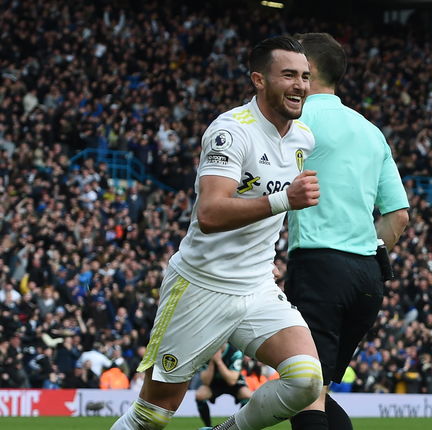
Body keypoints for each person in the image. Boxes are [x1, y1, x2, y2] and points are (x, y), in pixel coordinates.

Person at [111, 35, 324, 430]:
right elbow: (209, 213)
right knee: (151, 417)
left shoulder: (302, 138)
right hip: (201, 287)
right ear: (259, 80)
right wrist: (285, 201)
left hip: (257, 287)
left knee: (306, 380)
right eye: (289, 75)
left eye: (306, 76)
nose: (300, 85)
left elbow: (272, 209)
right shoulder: (231, 131)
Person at [285, 32, 410, 430]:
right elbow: (399, 216)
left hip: (319, 266)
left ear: (310, 69)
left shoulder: (296, 119)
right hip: (368, 277)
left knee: (302, 391)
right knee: (315, 390)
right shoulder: (372, 131)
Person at [195, 344, 253, 428]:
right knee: (200, 395)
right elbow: (206, 382)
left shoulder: (235, 352)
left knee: (247, 395)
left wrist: (218, 362)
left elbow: (232, 381)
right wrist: (212, 361)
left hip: (235, 382)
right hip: (214, 382)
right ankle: (209, 426)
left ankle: (239, 425)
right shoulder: (206, 352)